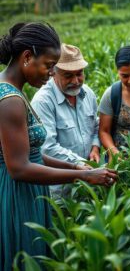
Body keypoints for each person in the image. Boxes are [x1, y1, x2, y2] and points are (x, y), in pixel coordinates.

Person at [0, 22, 117, 270]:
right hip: (17, 194)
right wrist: (84, 174)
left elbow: (34, 154)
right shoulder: (9, 100)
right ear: (27, 57)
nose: (50, 73)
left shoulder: (13, 92)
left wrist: (78, 170)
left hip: (25, 190)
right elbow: (19, 168)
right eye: (49, 66)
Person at [31, 43, 101, 198]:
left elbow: (96, 125)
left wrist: (95, 147)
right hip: (61, 190)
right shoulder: (43, 102)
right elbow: (47, 148)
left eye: (79, 73)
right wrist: (85, 165)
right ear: (53, 73)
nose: (76, 81)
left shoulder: (87, 94)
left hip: (91, 182)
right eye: (68, 75)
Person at [98, 46, 130, 159]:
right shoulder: (112, 94)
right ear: (117, 72)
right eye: (124, 76)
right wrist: (114, 152)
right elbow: (104, 131)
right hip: (121, 160)